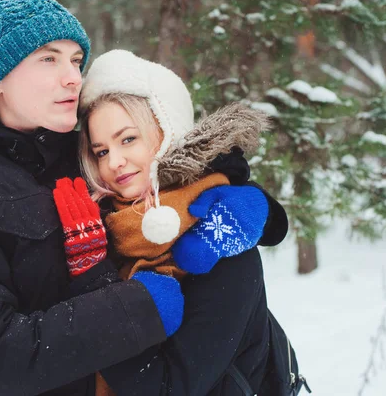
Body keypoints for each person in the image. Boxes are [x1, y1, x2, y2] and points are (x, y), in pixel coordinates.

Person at [0, 0, 285, 395]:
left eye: (75, 60)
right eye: (49, 60)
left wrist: (251, 203)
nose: (72, 77)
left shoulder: (87, 155)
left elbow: (174, 159)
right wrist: (131, 310)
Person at [61, 50, 308, 396]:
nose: (114, 162)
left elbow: (167, 388)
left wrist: (95, 292)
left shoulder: (224, 243)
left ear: (166, 132)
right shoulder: (101, 233)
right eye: (101, 151)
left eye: (128, 138)